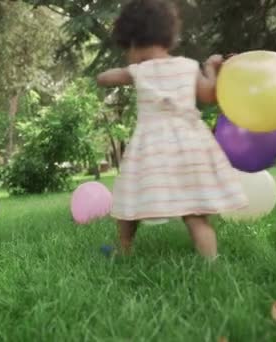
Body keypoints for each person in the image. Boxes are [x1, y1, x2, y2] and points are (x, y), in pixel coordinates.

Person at [96, 0, 248, 260]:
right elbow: (210, 95)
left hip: (152, 148)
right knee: (196, 214)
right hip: (190, 145)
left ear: (133, 43)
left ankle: (123, 249)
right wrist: (211, 68)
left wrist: (128, 70)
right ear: (168, 36)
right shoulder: (188, 67)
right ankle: (211, 262)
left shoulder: (138, 70)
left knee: (130, 205)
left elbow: (104, 78)